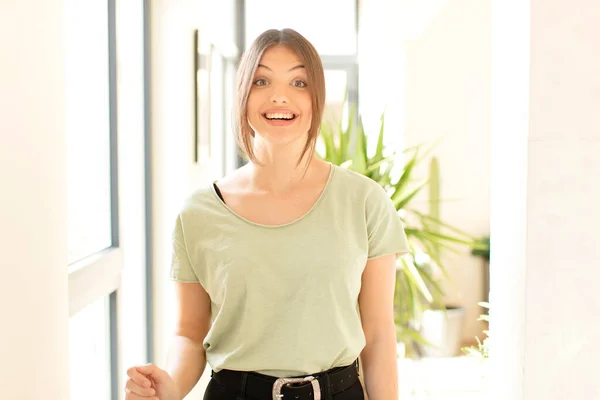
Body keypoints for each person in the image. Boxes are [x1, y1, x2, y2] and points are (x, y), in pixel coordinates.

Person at [124, 28, 410, 400]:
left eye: (298, 81)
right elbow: (189, 334)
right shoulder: (199, 212)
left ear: (316, 98)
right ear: (242, 94)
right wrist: (171, 386)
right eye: (261, 80)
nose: (279, 96)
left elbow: (377, 334)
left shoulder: (365, 201)